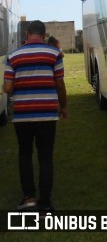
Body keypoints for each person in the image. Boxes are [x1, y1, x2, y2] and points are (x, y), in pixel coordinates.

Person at [2, 20, 66, 211]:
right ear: (44, 35)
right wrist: (63, 106)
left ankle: (29, 198)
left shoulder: (13, 56)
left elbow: (7, 88)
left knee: (25, 154)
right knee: (45, 157)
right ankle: (45, 203)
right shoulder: (54, 54)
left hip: (22, 115)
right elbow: (60, 84)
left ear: (27, 34)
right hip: (47, 114)